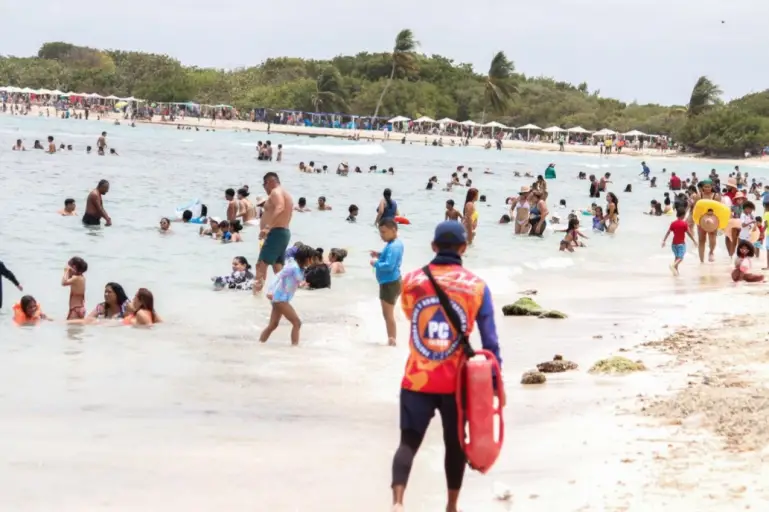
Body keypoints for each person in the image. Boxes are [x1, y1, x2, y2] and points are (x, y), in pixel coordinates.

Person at [390, 221, 503, 512]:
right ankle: (451, 507)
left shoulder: (413, 280)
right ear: (464, 248)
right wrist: (494, 382)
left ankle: (398, 503)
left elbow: (409, 315)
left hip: (417, 380)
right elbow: (490, 343)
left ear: (433, 246)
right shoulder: (477, 287)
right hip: (456, 383)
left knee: (408, 444)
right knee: (454, 444)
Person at [260, 245, 315, 345]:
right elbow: (277, 276)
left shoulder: (299, 268)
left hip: (281, 299)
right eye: (311, 258)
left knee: (273, 325)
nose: (312, 260)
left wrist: (301, 284)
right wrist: (270, 291)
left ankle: (260, 344)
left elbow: (293, 281)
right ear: (305, 258)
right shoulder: (292, 267)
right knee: (297, 323)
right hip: (280, 299)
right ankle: (294, 349)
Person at [254, 172, 294, 293]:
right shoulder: (286, 193)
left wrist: (267, 227)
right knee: (277, 265)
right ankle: (282, 295)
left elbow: (280, 207)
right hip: (282, 232)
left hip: (276, 232)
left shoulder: (276, 192)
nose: (264, 188)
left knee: (261, 265)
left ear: (270, 181)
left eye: (264, 184)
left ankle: (255, 296)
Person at [370, 219, 405, 346]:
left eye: (384, 232)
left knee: (388, 315)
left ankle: (392, 341)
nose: (382, 235)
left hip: (389, 283)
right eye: (380, 232)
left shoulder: (393, 246)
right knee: (388, 314)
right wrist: (379, 255)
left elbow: (389, 265)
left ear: (393, 230)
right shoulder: (395, 243)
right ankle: (392, 339)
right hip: (392, 281)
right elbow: (390, 258)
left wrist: (376, 263)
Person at [661, 209, 697, 276]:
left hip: (674, 245)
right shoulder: (684, 224)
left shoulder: (673, 223)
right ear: (683, 215)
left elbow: (668, 232)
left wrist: (664, 241)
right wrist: (694, 241)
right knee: (680, 258)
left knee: (676, 257)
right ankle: (673, 265)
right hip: (681, 244)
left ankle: (676, 273)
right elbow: (689, 233)